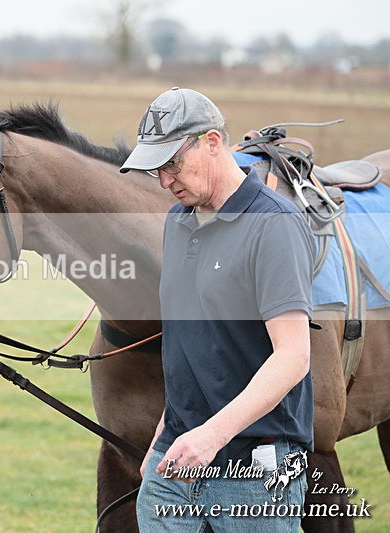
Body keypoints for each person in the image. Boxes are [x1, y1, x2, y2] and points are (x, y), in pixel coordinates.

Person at [119, 87, 316, 531]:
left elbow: (293, 356)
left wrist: (211, 436)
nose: (165, 182)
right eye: (156, 169)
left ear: (211, 142)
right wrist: (162, 438)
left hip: (255, 471)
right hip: (177, 461)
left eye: (172, 164)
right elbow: (194, 344)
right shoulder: (177, 221)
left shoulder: (274, 225)